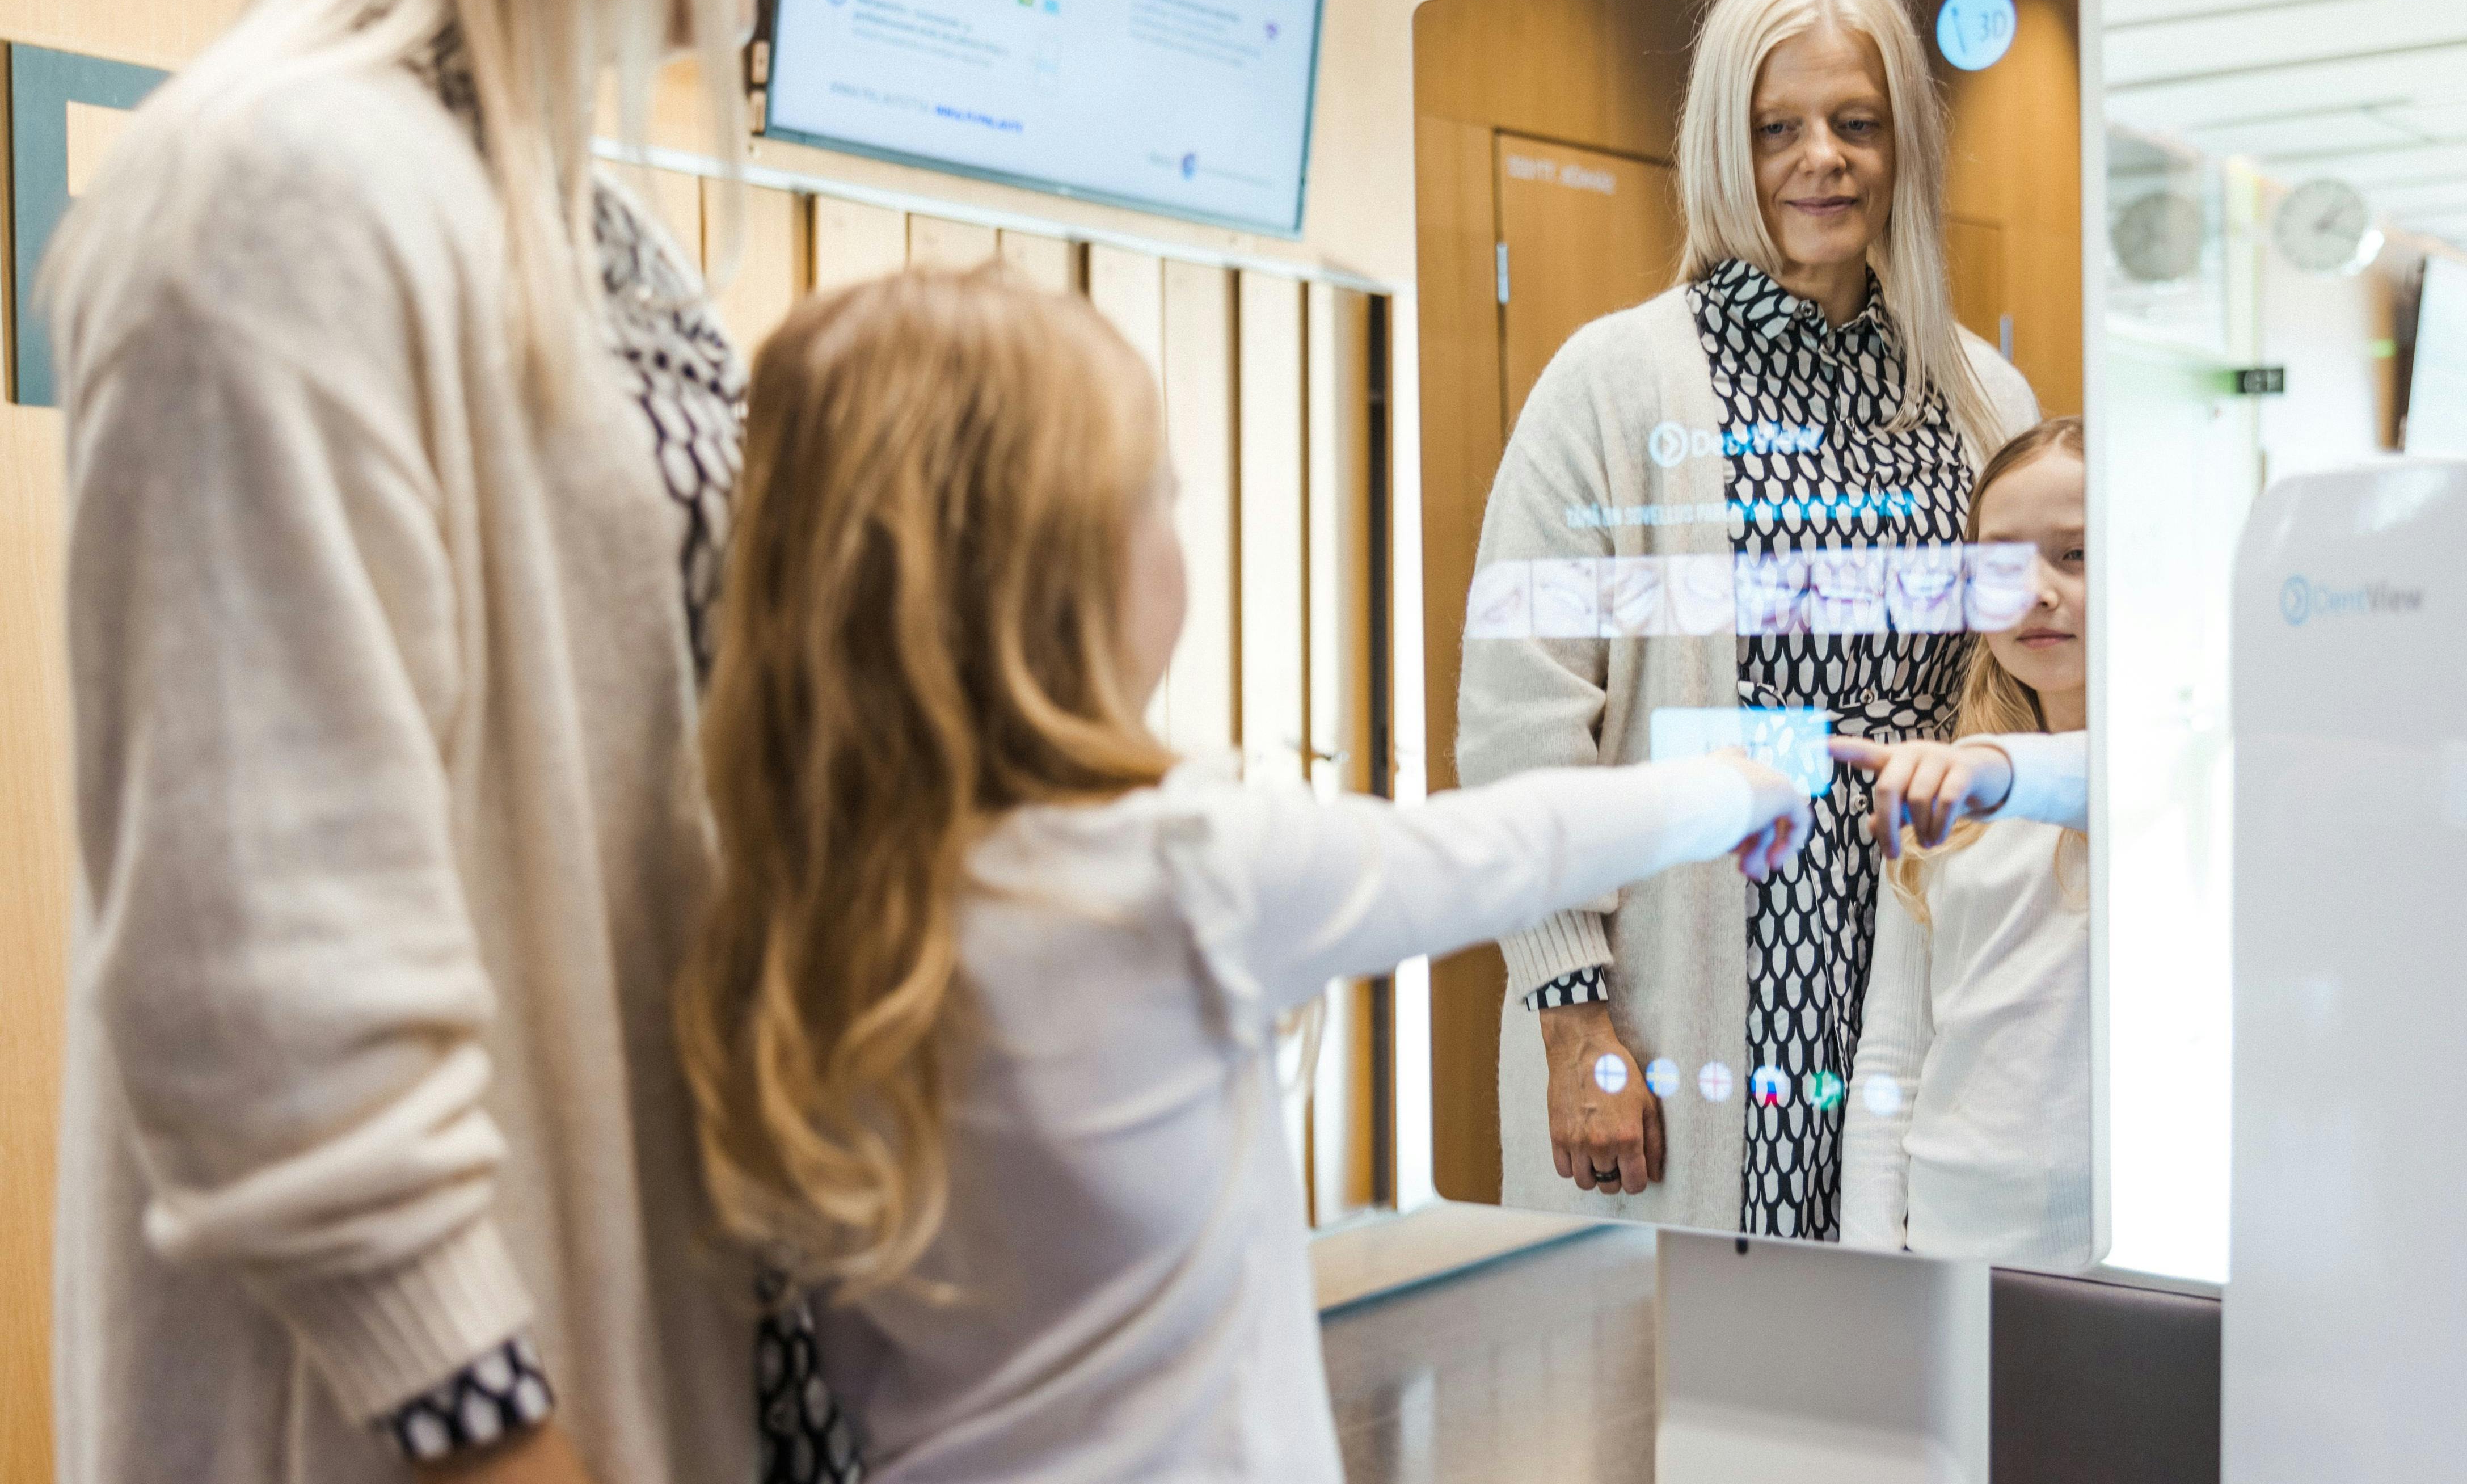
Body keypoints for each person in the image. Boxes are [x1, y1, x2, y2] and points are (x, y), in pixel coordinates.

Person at [673, 267, 1815, 1483]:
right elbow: (1509, 843)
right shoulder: (1175, 874)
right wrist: (1741, 786)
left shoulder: (785, 915)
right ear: (1059, 570)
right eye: (1155, 497)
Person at [44, 0, 815, 1480]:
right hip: (431, 1416)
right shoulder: (277, 188)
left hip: (642, 1321)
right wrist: (484, 1416)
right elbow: (262, 951)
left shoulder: (588, 224)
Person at [1461, 0, 2038, 1238]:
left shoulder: (1979, 394)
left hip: (1909, 957)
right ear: (1724, 144)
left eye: (1854, 123)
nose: (1817, 160)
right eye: (1776, 127)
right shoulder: (1614, 383)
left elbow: (2027, 680)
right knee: (1663, 1390)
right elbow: (1517, 724)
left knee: (1881, 1368)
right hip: (1689, 966)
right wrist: (1573, 1016)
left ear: (1903, 148)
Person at [1837, 417, 2097, 1273]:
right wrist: (1871, 1258)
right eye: (2000, 561)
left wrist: (1989, 766)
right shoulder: (1942, 801)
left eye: (2077, 554)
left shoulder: (2168, 788)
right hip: (1947, 1240)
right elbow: (1893, 1056)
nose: (2035, 589)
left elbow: (2104, 776)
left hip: (2116, 1255)